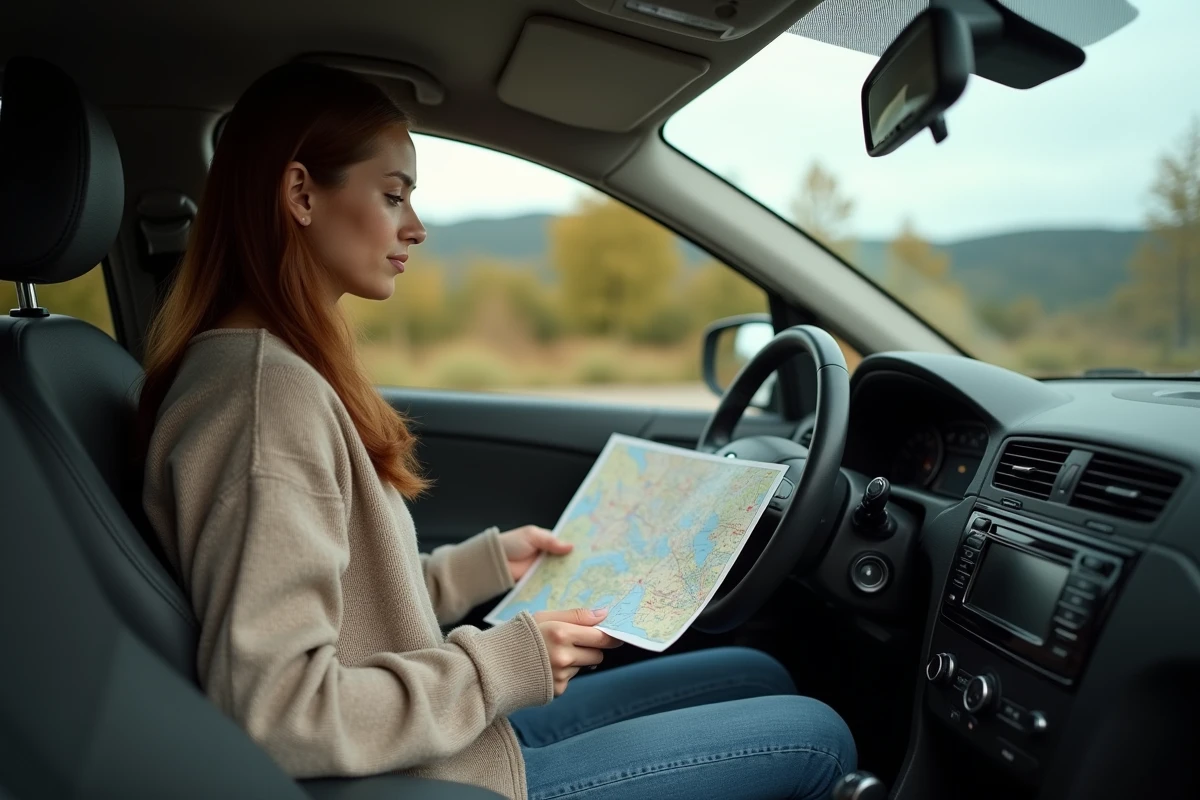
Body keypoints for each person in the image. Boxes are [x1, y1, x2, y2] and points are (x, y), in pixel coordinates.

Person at [137, 62, 856, 800]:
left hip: (436, 749)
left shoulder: (270, 372)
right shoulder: (266, 401)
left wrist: (484, 569)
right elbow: (275, 710)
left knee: (753, 672)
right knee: (818, 739)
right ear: (300, 194)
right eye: (393, 196)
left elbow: (346, 605)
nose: (415, 227)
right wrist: (504, 662)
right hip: (423, 779)